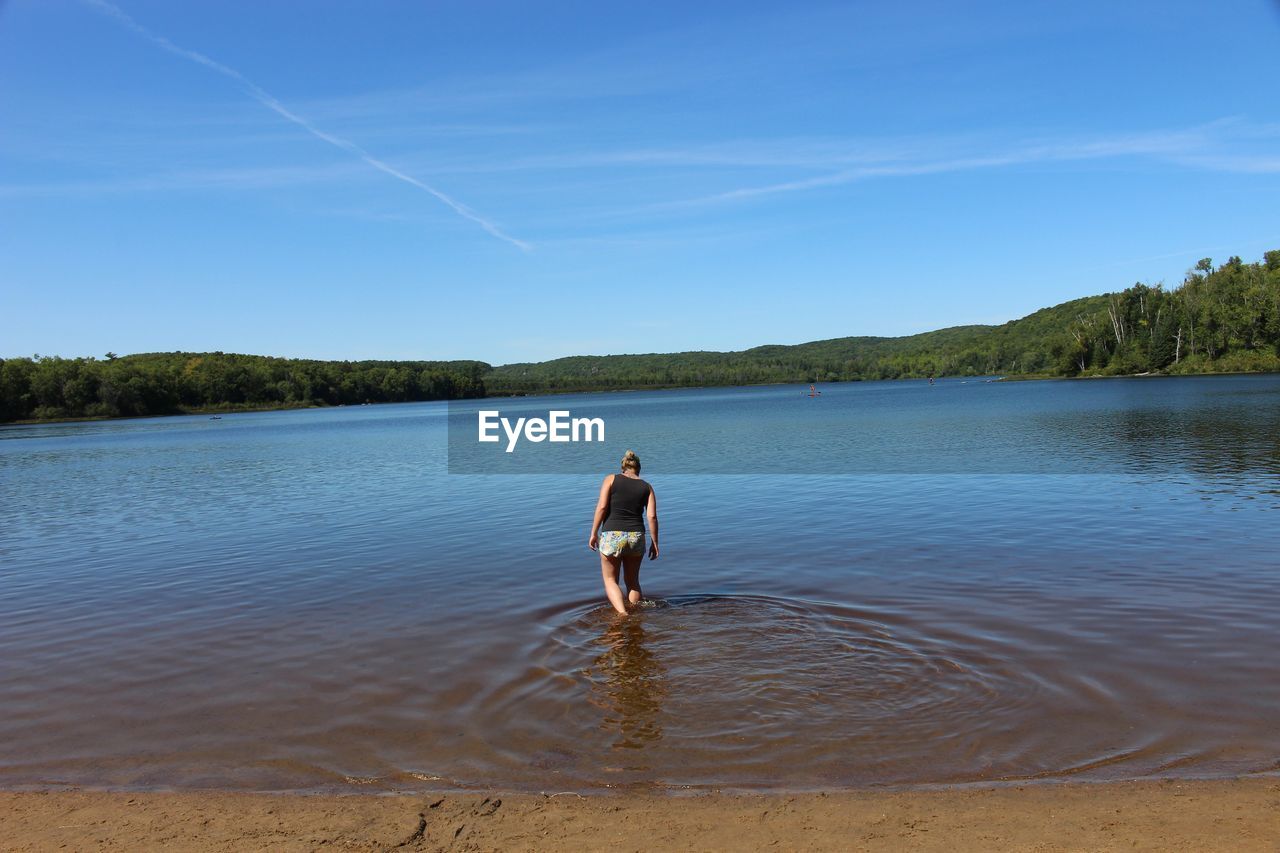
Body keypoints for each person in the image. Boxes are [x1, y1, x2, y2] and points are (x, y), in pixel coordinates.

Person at [588, 449, 659, 615]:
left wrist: (593, 532)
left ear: (623, 468)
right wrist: (655, 542)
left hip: (612, 535)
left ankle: (623, 614)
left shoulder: (610, 479)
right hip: (636, 537)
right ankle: (635, 615)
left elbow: (603, 507)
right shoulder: (647, 487)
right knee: (633, 582)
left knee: (610, 580)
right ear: (638, 468)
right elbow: (652, 516)